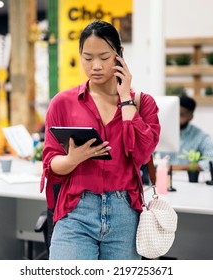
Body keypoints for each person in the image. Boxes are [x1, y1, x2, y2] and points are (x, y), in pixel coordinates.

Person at [41, 20, 160, 260]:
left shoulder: (142, 104)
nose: (95, 66)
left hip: (124, 213)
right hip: (76, 211)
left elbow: (141, 155)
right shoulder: (62, 103)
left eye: (104, 57)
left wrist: (126, 98)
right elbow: (50, 165)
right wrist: (73, 159)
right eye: (87, 58)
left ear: (119, 55)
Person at [160, 94, 213, 172]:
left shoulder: (200, 136)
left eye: (181, 114)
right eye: (174, 113)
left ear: (191, 117)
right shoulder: (159, 132)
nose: (176, 118)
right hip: (160, 178)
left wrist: (180, 167)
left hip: (188, 180)